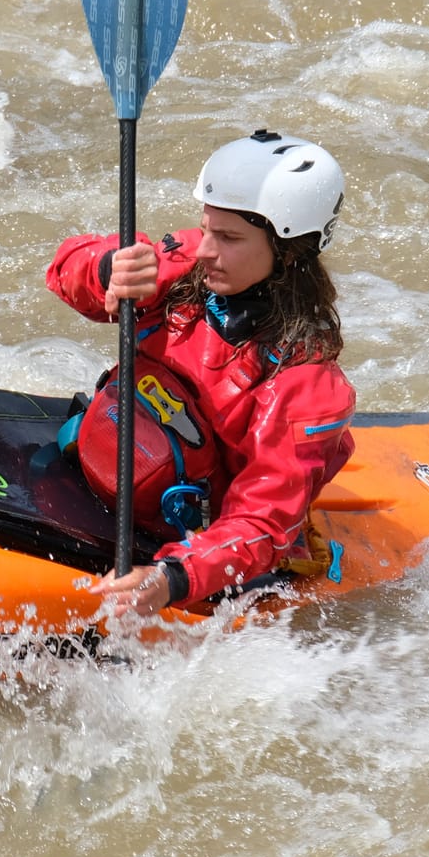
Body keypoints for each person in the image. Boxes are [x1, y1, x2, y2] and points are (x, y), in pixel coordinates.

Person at [45, 129, 356, 617]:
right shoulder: (191, 266)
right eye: (206, 227)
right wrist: (106, 269)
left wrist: (174, 578)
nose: (204, 248)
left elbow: (260, 524)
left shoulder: (305, 384)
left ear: (289, 250)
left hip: (188, 543)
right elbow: (65, 269)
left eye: (229, 237)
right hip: (103, 463)